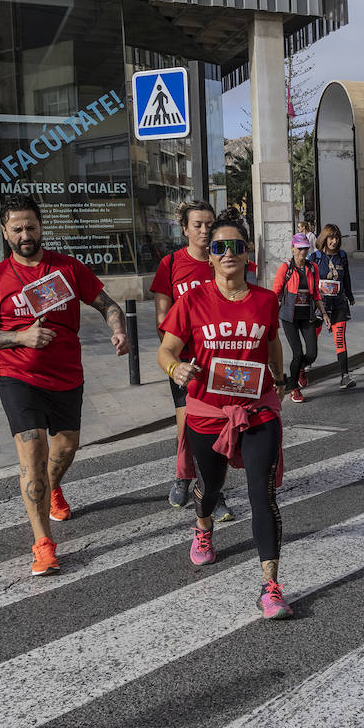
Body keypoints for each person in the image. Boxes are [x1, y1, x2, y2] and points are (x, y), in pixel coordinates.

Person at [0, 193, 130, 577]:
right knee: (33, 454)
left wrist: (119, 330)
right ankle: (43, 544)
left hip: (66, 376)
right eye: (17, 228)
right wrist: (19, 338)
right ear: (5, 232)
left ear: (41, 227)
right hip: (18, 376)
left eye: (31, 226)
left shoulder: (67, 269)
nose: (25, 234)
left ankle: (52, 487)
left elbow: (108, 304)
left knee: (67, 447)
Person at [158, 214, 294, 619]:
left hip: (256, 409)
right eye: (220, 247)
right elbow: (166, 349)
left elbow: (272, 344)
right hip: (207, 412)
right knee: (212, 485)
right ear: (211, 257)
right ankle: (203, 526)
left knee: (261, 492)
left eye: (237, 246)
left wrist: (280, 381)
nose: (229, 253)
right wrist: (176, 369)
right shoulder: (193, 301)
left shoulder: (265, 300)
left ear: (247, 253)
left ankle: (271, 586)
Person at [150, 199, 233, 521]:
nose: (203, 230)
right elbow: (162, 317)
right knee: (189, 426)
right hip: (185, 363)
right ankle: (193, 480)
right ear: (184, 228)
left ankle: (201, 483)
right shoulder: (171, 264)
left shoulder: (223, 261)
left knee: (214, 430)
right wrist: (173, 360)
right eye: (197, 224)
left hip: (219, 364)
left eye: (209, 224)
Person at [274, 234, 327, 404]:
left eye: (305, 248)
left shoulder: (312, 268)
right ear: (293, 248)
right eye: (300, 248)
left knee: (311, 354)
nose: (303, 251)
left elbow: (316, 293)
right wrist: (269, 315)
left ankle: (300, 370)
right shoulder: (286, 268)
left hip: (307, 315)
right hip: (289, 316)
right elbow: (276, 292)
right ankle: (294, 389)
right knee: (297, 353)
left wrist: (324, 314)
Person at [311, 224, 358, 389]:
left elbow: (347, 278)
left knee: (340, 339)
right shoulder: (314, 258)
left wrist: (350, 296)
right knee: (311, 341)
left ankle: (345, 376)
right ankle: (304, 367)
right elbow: (309, 281)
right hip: (319, 305)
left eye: (336, 238)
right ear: (324, 238)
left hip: (339, 304)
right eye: (331, 237)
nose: (334, 241)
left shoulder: (342, 256)